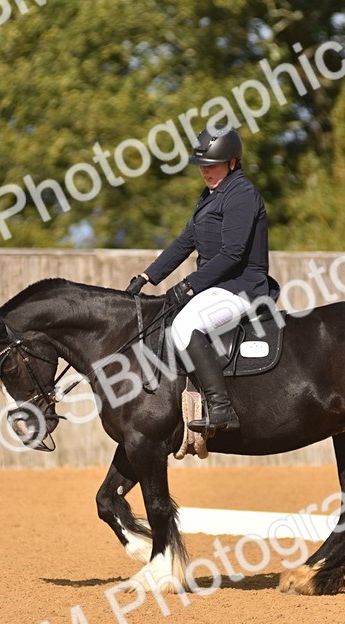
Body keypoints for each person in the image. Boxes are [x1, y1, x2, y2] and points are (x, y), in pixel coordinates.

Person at [124, 126, 270, 435]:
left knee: (185, 325)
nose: (205, 171)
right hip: (219, 287)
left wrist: (189, 284)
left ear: (232, 163)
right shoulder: (210, 196)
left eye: (212, 165)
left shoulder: (242, 195)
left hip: (242, 288)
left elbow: (232, 254)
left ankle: (221, 407)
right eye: (202, 165)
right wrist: (147, 276)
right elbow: (184, 241)